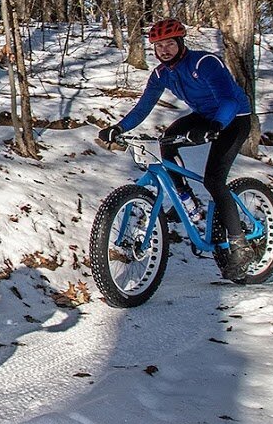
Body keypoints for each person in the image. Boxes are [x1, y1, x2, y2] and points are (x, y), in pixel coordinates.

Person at [96, 18, 255, 281]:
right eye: (159, 46)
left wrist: (215, 125)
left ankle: (240, 244)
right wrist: (119, 128)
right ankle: (186, 199)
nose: (164, 50)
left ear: (181, 43)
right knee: (167, 140)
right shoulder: (161, 74)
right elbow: (143, 107)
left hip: (234, 118)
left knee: (215, 180)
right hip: (206, 116)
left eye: (170, 43)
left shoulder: (205, 63)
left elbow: (227, 99)